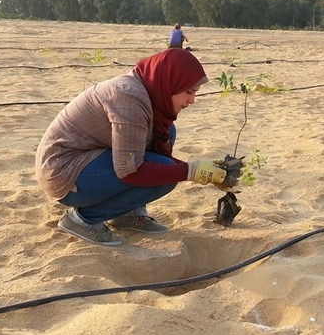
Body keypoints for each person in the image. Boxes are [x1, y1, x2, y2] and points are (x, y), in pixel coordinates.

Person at [36, 48, 236, 246]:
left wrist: (201, 169)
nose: (192, 100)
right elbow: (131, 171)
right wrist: (190, 171)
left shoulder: (147, 92)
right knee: (165, 178)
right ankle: (82, 219)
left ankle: (126, 214)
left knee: (167, 134)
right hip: (64, 173)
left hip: (87, 159)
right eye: (189, 92)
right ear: (169, 82)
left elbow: (152, 159)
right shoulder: (129, 98)